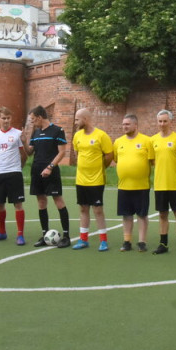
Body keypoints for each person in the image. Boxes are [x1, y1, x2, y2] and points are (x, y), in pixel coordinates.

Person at [26, 106, 70, 247]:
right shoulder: (36, 132)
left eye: (33, 120)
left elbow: (62, 152)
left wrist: (50, 167)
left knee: (58, 200)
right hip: (36, 171)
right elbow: (29, 153)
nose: (32, 123)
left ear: (39, 117)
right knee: (41, 202)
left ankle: (66, 236)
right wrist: (22, 141)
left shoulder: (57, 130)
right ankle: (45, 235)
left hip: (51, 171)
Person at [71, 107, 114, 251]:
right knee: (83, 208)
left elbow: (109, 156)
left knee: (98, 210)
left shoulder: (101, 136)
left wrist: (99, 168)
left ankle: (103, 241)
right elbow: (77, 154)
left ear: (85, 119)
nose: (75, 122)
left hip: (96, 180)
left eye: (77, 119)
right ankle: (83, 239)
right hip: (81, 180)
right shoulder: (77, 136)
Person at [0, 106, 28, 245]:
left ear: (11, 119)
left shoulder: (18, 134)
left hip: (14, 173)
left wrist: (18, 168)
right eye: (3, 118)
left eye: (8, 118)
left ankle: (20, 235)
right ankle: (2, 232)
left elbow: (24, 155)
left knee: (18, 204)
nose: (6, 121)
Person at [113, 114, 154, 252]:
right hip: (124, 185)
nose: (124, 126)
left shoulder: (146, 141)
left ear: (135, 125)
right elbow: (117, 160)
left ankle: (142, 242)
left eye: (127, 124)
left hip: (141, 186)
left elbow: (152, 161)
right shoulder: (118, 142)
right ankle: (127, 241)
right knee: (126, 215)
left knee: (142, 215)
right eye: (123, 124)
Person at [150, 109, 176, 255]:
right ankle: (163, 244)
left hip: (175, 184)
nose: (162, 124)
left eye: (165, 121)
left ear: (170, 122)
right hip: (160, 184)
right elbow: (153, 161)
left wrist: (175, 173)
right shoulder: (152, 140)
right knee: (162, 215)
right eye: (160, 121)